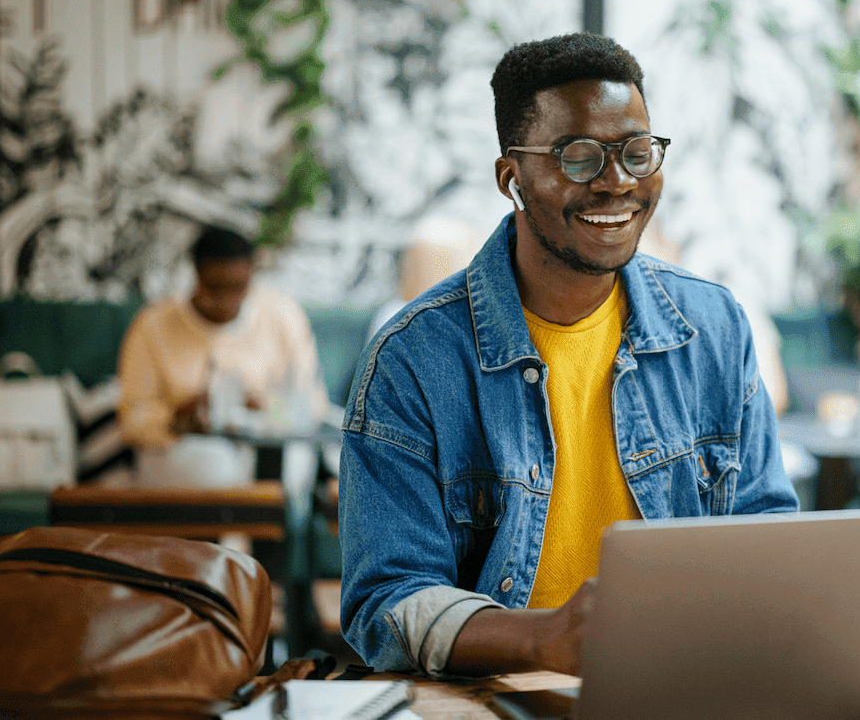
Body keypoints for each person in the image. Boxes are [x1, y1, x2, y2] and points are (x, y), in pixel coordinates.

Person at [338, 33, 798, 679]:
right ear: (512, 178)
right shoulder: (414, 358)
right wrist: (540, 639)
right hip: (495, 696)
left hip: (684, 683)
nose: (616, 183)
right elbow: (385, 602)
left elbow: (765, 533)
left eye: (637, 153)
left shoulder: (714, 326)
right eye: (578, 157)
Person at [117, 226, 328, 483]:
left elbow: (312, 405)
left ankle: (267, 517)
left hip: (265, 444)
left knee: (288, 463)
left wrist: (263, 407)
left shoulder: (283, 316)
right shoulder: (153, 325)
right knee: (212, 467)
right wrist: (176, 419)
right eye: (216, 288)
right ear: (197, 275)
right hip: (183, 450)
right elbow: (132, 418)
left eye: (239, 288)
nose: (228, 300)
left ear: (252, 275)